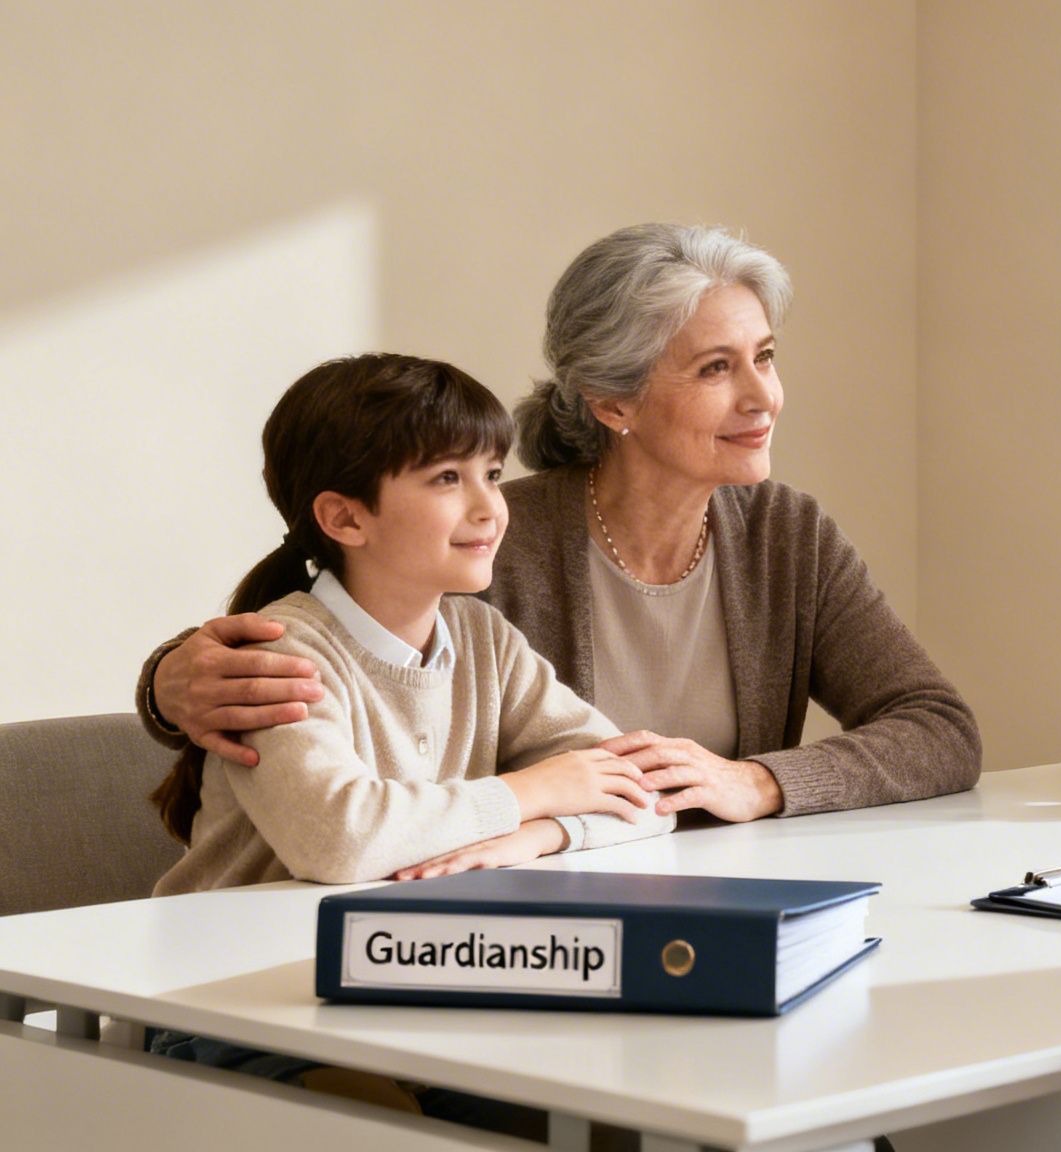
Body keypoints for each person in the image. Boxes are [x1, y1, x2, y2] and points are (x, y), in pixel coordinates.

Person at [141, 224, 980, 824]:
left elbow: (938, 730)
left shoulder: (785, 536)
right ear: (613, 402)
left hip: (700, 895)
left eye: (764, 356)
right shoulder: (493, 540)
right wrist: (167, 686)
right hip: (516, 926)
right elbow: (321, 608)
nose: (763, 398)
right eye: (716, 368)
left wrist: (757, 782)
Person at [148, 353, 671, 1128]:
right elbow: (342, 838)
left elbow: (645, 788)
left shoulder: (483, 638)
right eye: (446, 479)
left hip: (406, 989)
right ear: (345, 517)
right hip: (239, 1005)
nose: (491, 508)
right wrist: (534, 791)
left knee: (632, 1098)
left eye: (492, 474)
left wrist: (535, 836)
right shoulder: (279, 656)